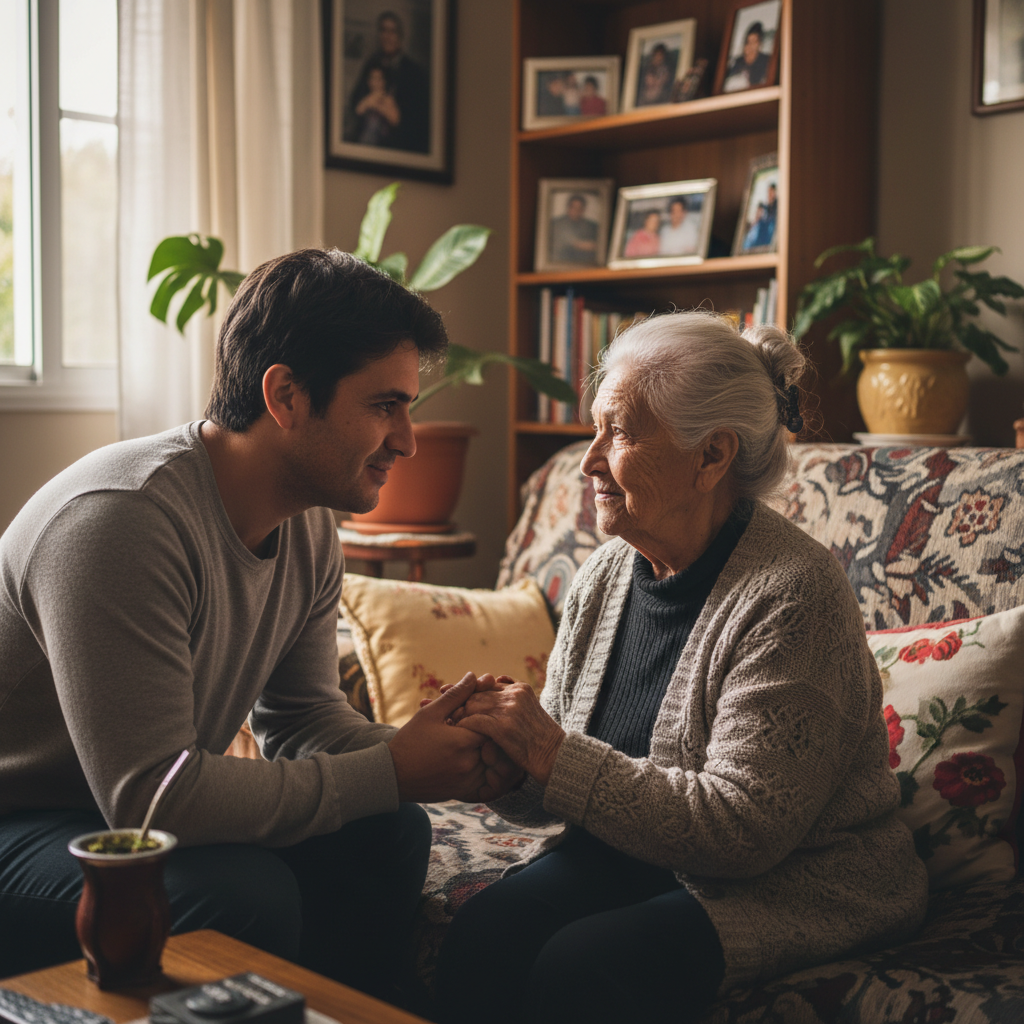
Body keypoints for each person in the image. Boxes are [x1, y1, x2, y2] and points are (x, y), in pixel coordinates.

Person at [0, 249, 518, 1003]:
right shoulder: (122, 520)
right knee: (242, 893)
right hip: (25, 822)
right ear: (285, 395)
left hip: (116, 812)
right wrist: (393, 769)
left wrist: (444, 751)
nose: (407, 439)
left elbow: (304, 720)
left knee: (388, 832)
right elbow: (153, 798)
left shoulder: (307, 528)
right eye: (383, 406)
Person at [431, 312, 929, 1024]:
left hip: (799, 879)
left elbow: (744, 830)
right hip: (639, 854)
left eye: (622, 433)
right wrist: (508, 761)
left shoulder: (792, 591)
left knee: (585, 968)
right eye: (595, 428)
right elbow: (564, 780)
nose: (588, 459)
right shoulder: (604, 574)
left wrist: (549, 751)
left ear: (712, 456)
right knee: (486, 935)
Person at [345, 11, 429, 153]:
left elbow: (418, 121)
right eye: (383, 30)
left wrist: (394, 116)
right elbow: (355, 100)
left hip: (398, 147)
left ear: (400, 37)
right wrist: (367, 102)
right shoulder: (371, 63)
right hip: (367, 142)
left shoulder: (415, 72)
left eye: (392, 31)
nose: (387, 36)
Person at [352, 62, 400, 146]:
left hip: (382, 142)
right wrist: (369, 100)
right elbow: (358, 111)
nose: (376, 82)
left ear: (384, 81)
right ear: (368, 81)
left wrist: (379, 106)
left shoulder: (388, 99)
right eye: (373, 78)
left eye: (379, 79)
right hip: (364, 140)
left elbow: (395, 120)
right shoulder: (366, 97)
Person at [549, 193, 599, 264]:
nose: (576, 211)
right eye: (574, 207)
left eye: (580, 208)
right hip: (561, 263)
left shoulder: (591, 226)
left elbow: (597, 246)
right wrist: (580, 244)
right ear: (568, 207)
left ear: (583, 210)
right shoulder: (556, 224)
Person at [724, 20, 772, 92]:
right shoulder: (738, 62)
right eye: (748, 42)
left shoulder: (767, 61)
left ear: (760, 45)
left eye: (754, 42)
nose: (749, 47)